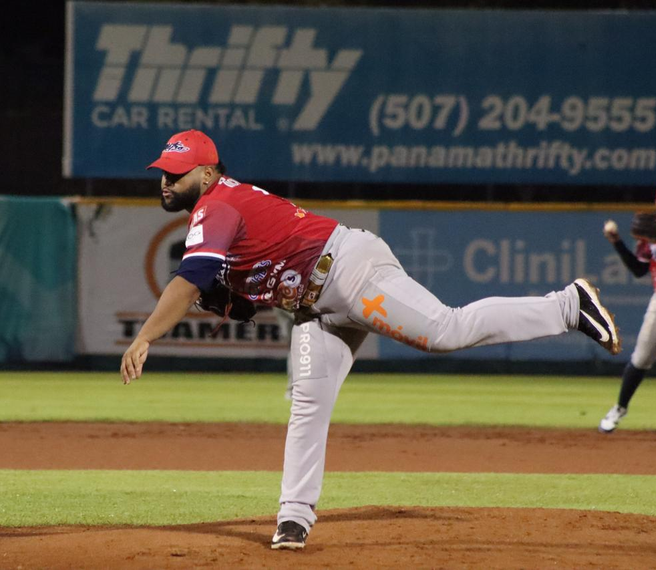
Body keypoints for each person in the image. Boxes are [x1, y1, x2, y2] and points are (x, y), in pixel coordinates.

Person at [120, 129, 621, 550]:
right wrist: (237, 297)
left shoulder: (217, 205)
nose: (165, 181)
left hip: (350, 273)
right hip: (317, 305)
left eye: (176, 172)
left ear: (206, 173)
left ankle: (568, 305)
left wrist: (145, 337)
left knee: (444, 330)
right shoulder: (217, 208)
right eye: (162, 171)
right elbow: (242, 282)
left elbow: (189, 282)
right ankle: (294, 517)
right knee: (307, 403)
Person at [598, 181, 656, 433]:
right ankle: (619, 408)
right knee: (640, 359)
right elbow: (640, 269)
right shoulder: (651, 231)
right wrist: (617, 242)